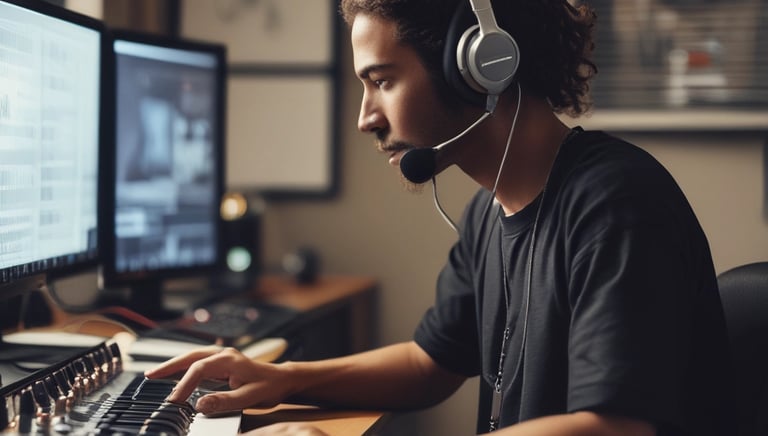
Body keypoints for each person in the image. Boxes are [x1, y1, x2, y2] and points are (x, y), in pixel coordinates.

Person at [146, 0, 730, 434]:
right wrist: (286, 380)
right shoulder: (487, 213)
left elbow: (613, 428)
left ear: (479, 67)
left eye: (382, 81)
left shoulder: (615, 202)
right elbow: (430, 365)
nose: (365, 118)